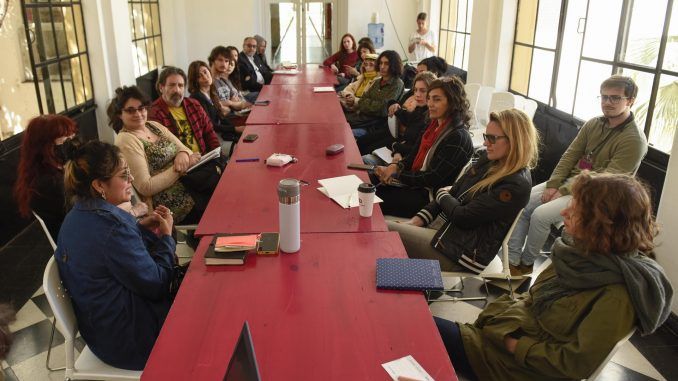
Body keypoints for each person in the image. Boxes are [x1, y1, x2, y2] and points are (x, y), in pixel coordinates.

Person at [434, 172, 673, 381]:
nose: (564, 211)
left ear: (603, 224)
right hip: (495, 341)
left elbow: (575, 364)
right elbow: (531, 300)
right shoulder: (578, 254)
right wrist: (497, 324)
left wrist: (514, 344)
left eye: (577, 208)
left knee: (415, 329)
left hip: (514, 369)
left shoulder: (617, 295)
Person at [508, 75, 648, 275]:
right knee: (521, 202)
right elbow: (570, 155)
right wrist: (553, 184)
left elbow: (605, 182)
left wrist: (563, 190)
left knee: (540, 215)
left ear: (630, 101)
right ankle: (512, 261)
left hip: (594, 194)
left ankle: (526, 264)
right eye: (603, 97)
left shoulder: (634, 140)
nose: (607, 103)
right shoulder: (594, 123)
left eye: (615, 98)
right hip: (567, 183)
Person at [57, 140, 176, 370]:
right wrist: (166, 238)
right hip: (134, 342)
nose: (131, 180)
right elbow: (158, 284)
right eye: (123, 175)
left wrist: (138, 226)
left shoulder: (75, 216)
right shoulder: (112, 227)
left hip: (101, 335)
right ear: (99, 185)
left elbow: (107, 253)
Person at [388, 109, 538, 273]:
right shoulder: (489, 159)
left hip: (461, 254)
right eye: (486, 136)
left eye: (492, 138)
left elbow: (463, 216)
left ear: (515, 141)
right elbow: (455, 192)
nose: (486, 143)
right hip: (448, 235)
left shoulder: (516, 184)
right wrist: (416, 221)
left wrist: (441, 193)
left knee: (385, 231)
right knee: (386, 231)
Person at [373, 76, 473, 218]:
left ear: (453, 103)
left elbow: (431, 178)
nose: (430, 103)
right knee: (369, 181)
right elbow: (412, 156)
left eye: (437, 99)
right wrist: (395, 167)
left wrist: (397, 174)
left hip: (429, 199)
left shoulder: (457, 137)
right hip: (417, 187)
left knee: (370, 196)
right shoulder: (432, 125)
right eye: (430, 98)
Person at [109, 86, 204, 224]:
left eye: (141, 108)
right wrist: (180, 168)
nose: (138, 113)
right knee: (219, 200)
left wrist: (182, 154)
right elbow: (146, 187)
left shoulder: (153, 126)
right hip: (171, 206)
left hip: (191, 188)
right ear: (119, 114)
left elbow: (188, 151)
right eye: (130, 110)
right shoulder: (126, 140)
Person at [14, 115, 78, 239]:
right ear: (45, 146)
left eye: (72, 136)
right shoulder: (49, 183)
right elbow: (82, 215)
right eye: (65, 139)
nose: (72, 143)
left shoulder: (51, 171)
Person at [361, 71, 436, 163]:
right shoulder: (419, 109)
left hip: (404, 157)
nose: (417, 94)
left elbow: (415, 148)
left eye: (422, 91)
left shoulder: (430, 117)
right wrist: (394, 105)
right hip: (398, 146)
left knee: (365, 157)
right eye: (415, 90)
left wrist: (396, 148)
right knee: (362, 142)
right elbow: (405, 117)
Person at [148, 66, 221, 156]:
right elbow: (161, 149)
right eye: (172, 85)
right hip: (180, 165)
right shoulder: (154, 113)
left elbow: (210, 133)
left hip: (204, 158)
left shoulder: (194, 105)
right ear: (161, 87)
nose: (177, 90)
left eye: (180, 85)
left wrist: (218, 154)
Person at [346, 50, 404, 138]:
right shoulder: (377, 82)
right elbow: (362, 101)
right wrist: (373, 104)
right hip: (361, 120)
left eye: (386, 64)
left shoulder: (397, 84)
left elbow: (383, 109)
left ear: (394, 65)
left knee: (344, 133)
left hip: (375, 127)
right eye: (380, 63)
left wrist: (368, 103)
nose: (382, 67)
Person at [187, 60, 244, 143]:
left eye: (205, 72)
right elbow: (210, 125)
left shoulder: (212, 92)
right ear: (195, 80)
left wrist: (236, 128)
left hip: (221, 133)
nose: (205, 77)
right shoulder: (196, 98)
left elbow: (221, 117)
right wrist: (235, 129)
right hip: (212, 139)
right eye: (199, 76)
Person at [208, 46, 251, 112]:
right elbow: (220, 110)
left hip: (236, 115)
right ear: (212, 60)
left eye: (226, 61)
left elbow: (242, 104)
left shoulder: (224, 80)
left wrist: (229, 103)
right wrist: (232, 104)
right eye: (220, 60)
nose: (224, 64)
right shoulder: (208, 81)